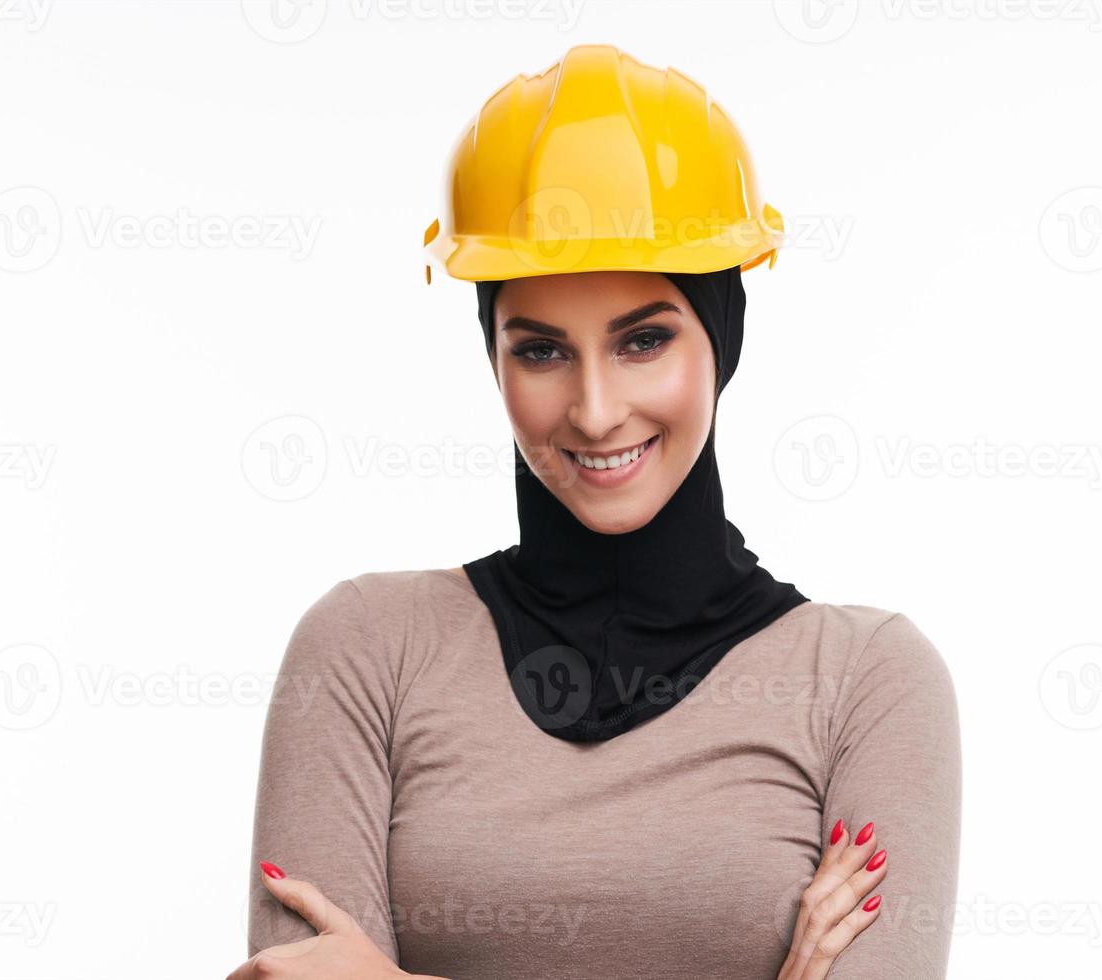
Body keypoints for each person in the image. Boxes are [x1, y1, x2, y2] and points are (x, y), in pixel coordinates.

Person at [230, 44, 961, 980]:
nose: (595, 409)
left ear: (722, 335)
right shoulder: (368, 651)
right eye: (540, 352)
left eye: (644, 340)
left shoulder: (866, 681)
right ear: (490, 356)